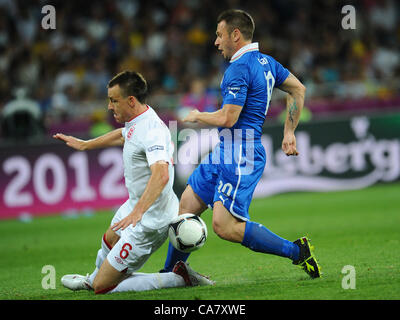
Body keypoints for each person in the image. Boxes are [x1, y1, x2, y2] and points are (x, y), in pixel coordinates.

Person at [157, 9, 321, 279]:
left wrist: (197, 115)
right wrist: (289, 131)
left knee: (224, 226)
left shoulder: (238, 68)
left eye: (220, 35)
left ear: (236, 34)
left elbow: (228, 117)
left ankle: (297, 252)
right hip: (226, 149)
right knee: (186, 205)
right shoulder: (267, 62)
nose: (216, 42)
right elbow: (298, 89)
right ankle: (171, 273)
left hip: (241, 152)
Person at [54, 71, 214, 294]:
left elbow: (161, 174)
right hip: (135, 206)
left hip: (150, 219)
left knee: (104, 287)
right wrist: (85, 145)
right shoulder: (137, 120)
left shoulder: (152, 131)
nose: (109, 106)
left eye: (113, 100)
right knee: (109, 238)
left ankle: (177, 278)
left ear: (131, 100)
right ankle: (93, 278)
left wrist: (138, 212)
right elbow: (124, 134)